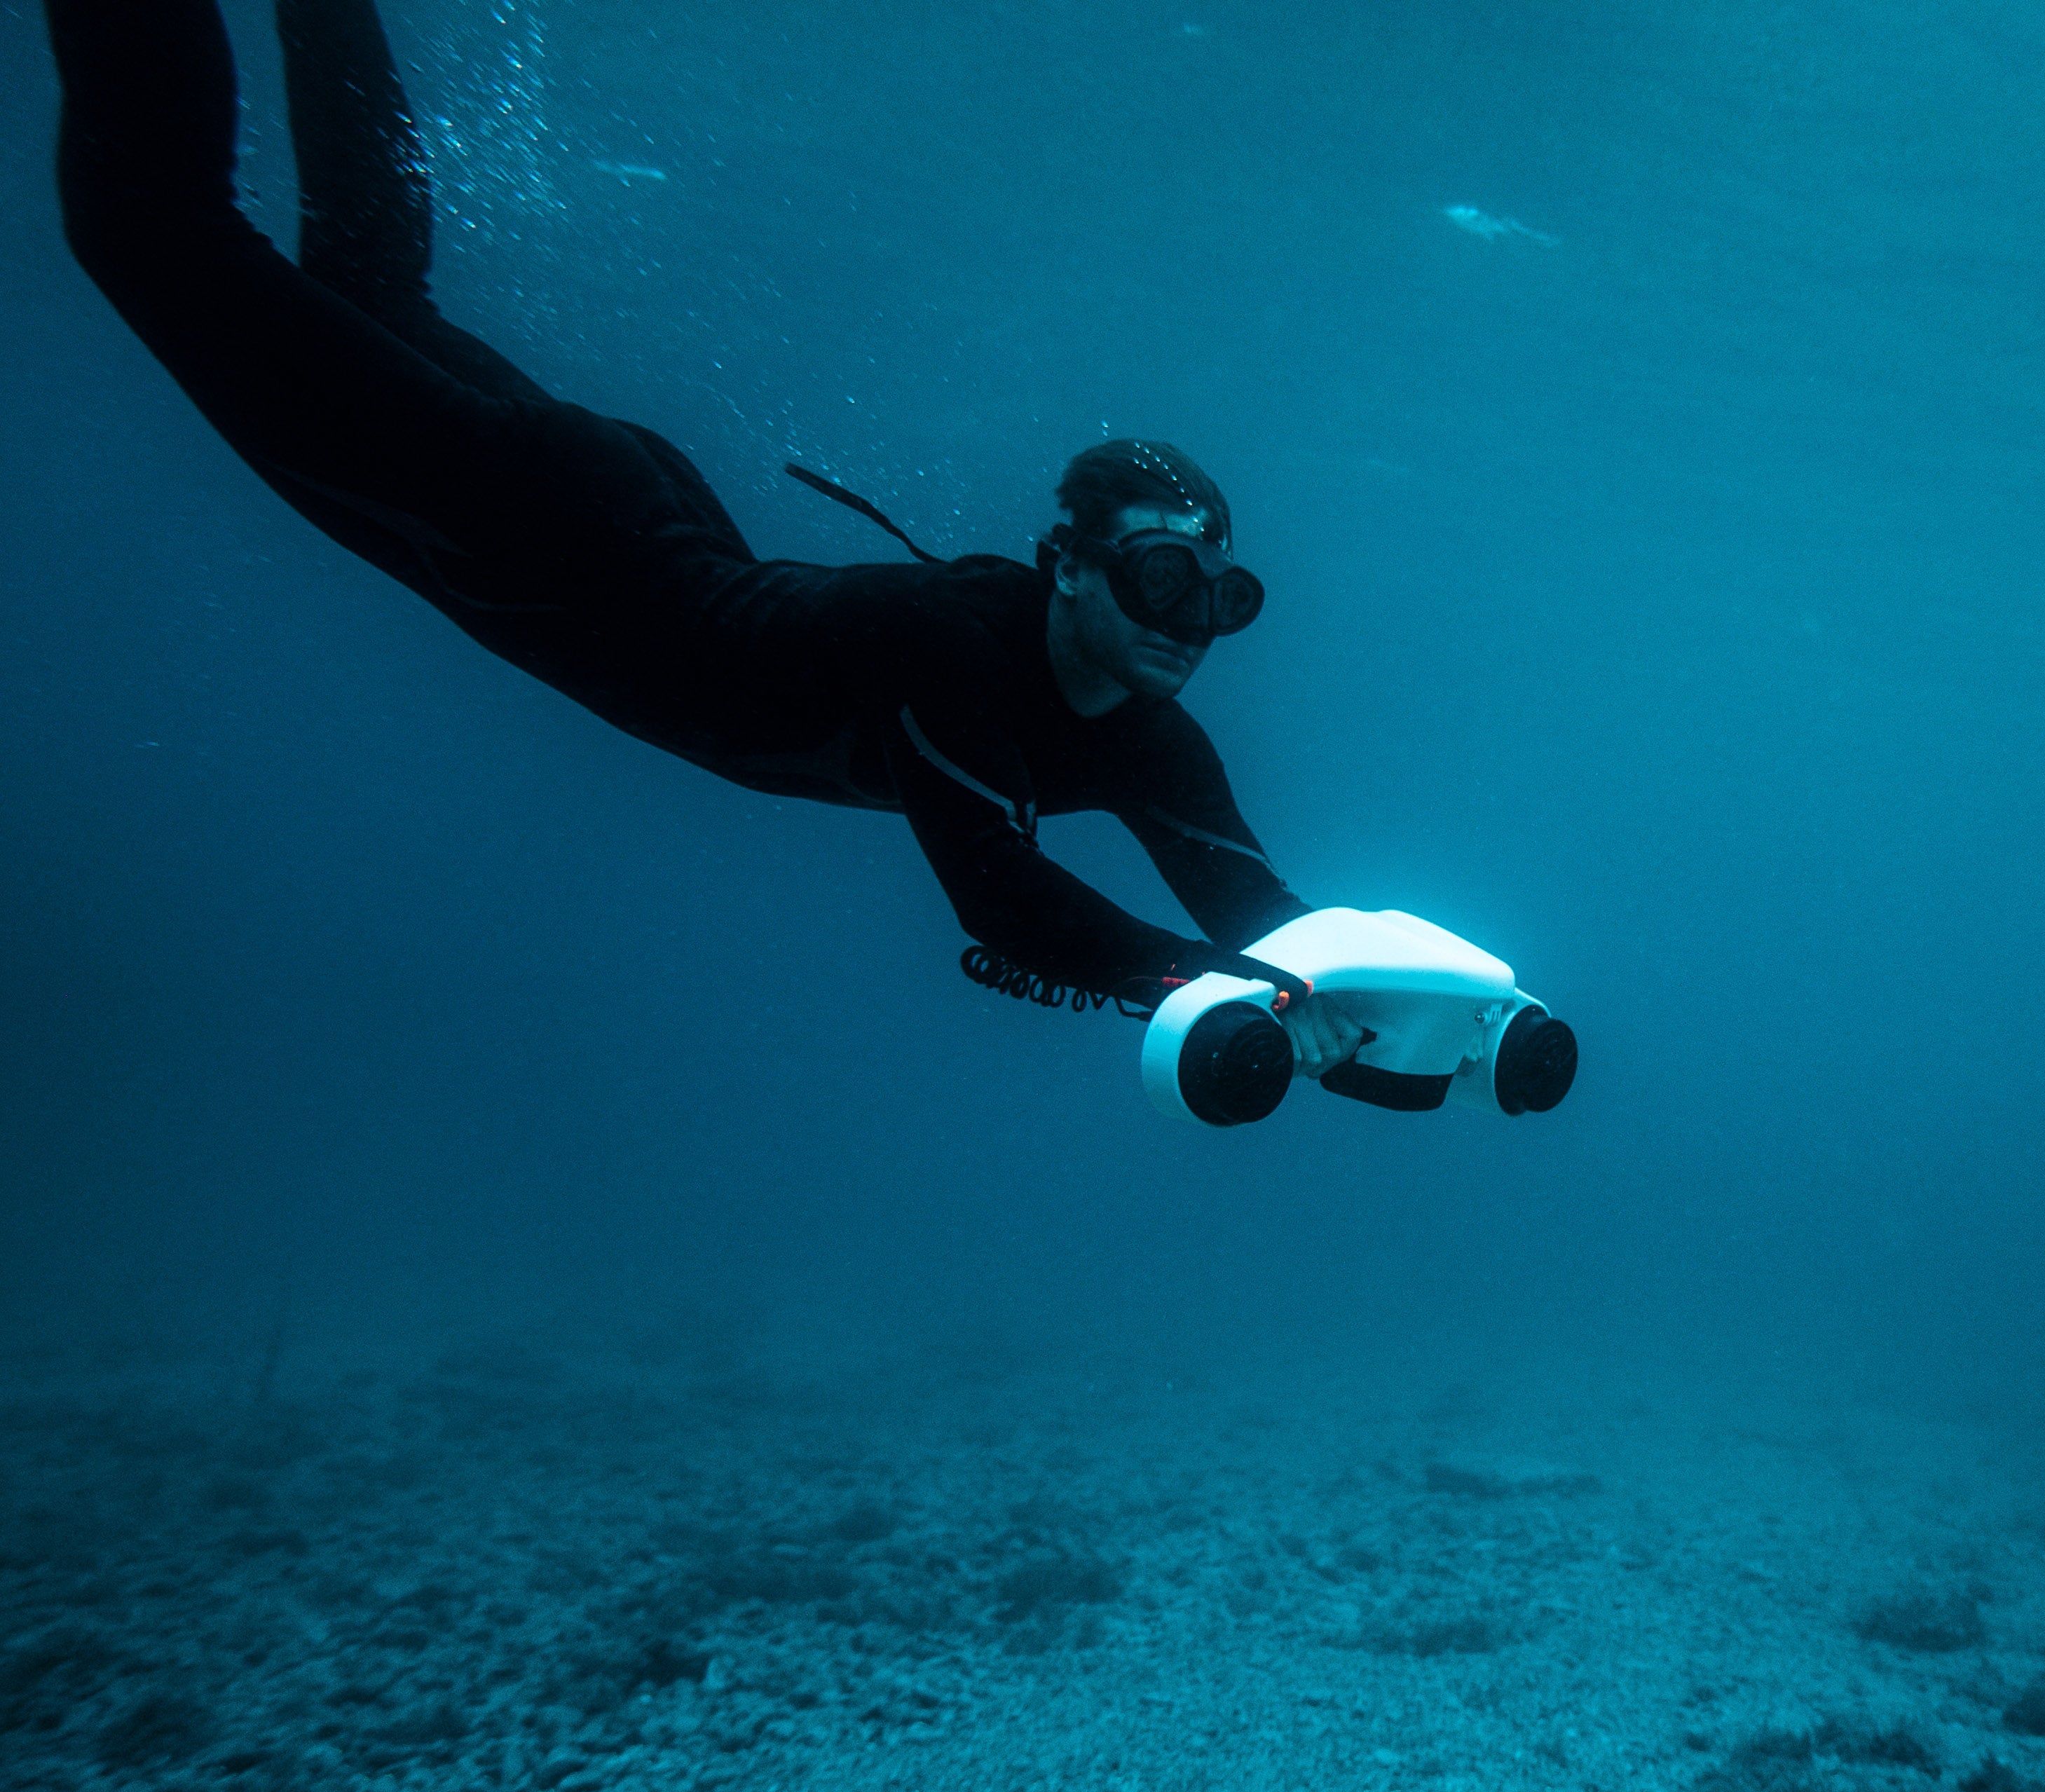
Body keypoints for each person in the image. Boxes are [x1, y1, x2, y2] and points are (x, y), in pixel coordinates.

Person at [44, 0, 1369, 1078]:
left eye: (1218, 598)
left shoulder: (1154, 743)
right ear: (1065, 560)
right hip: (534, 537)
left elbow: (1276, 925)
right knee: (154, 228)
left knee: (369, 296)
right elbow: (1002, 897)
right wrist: (1224, 991)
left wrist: (1425, 1023)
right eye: (1158, 575)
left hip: (627, 509)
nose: (1185, 623)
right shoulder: (948, 642)